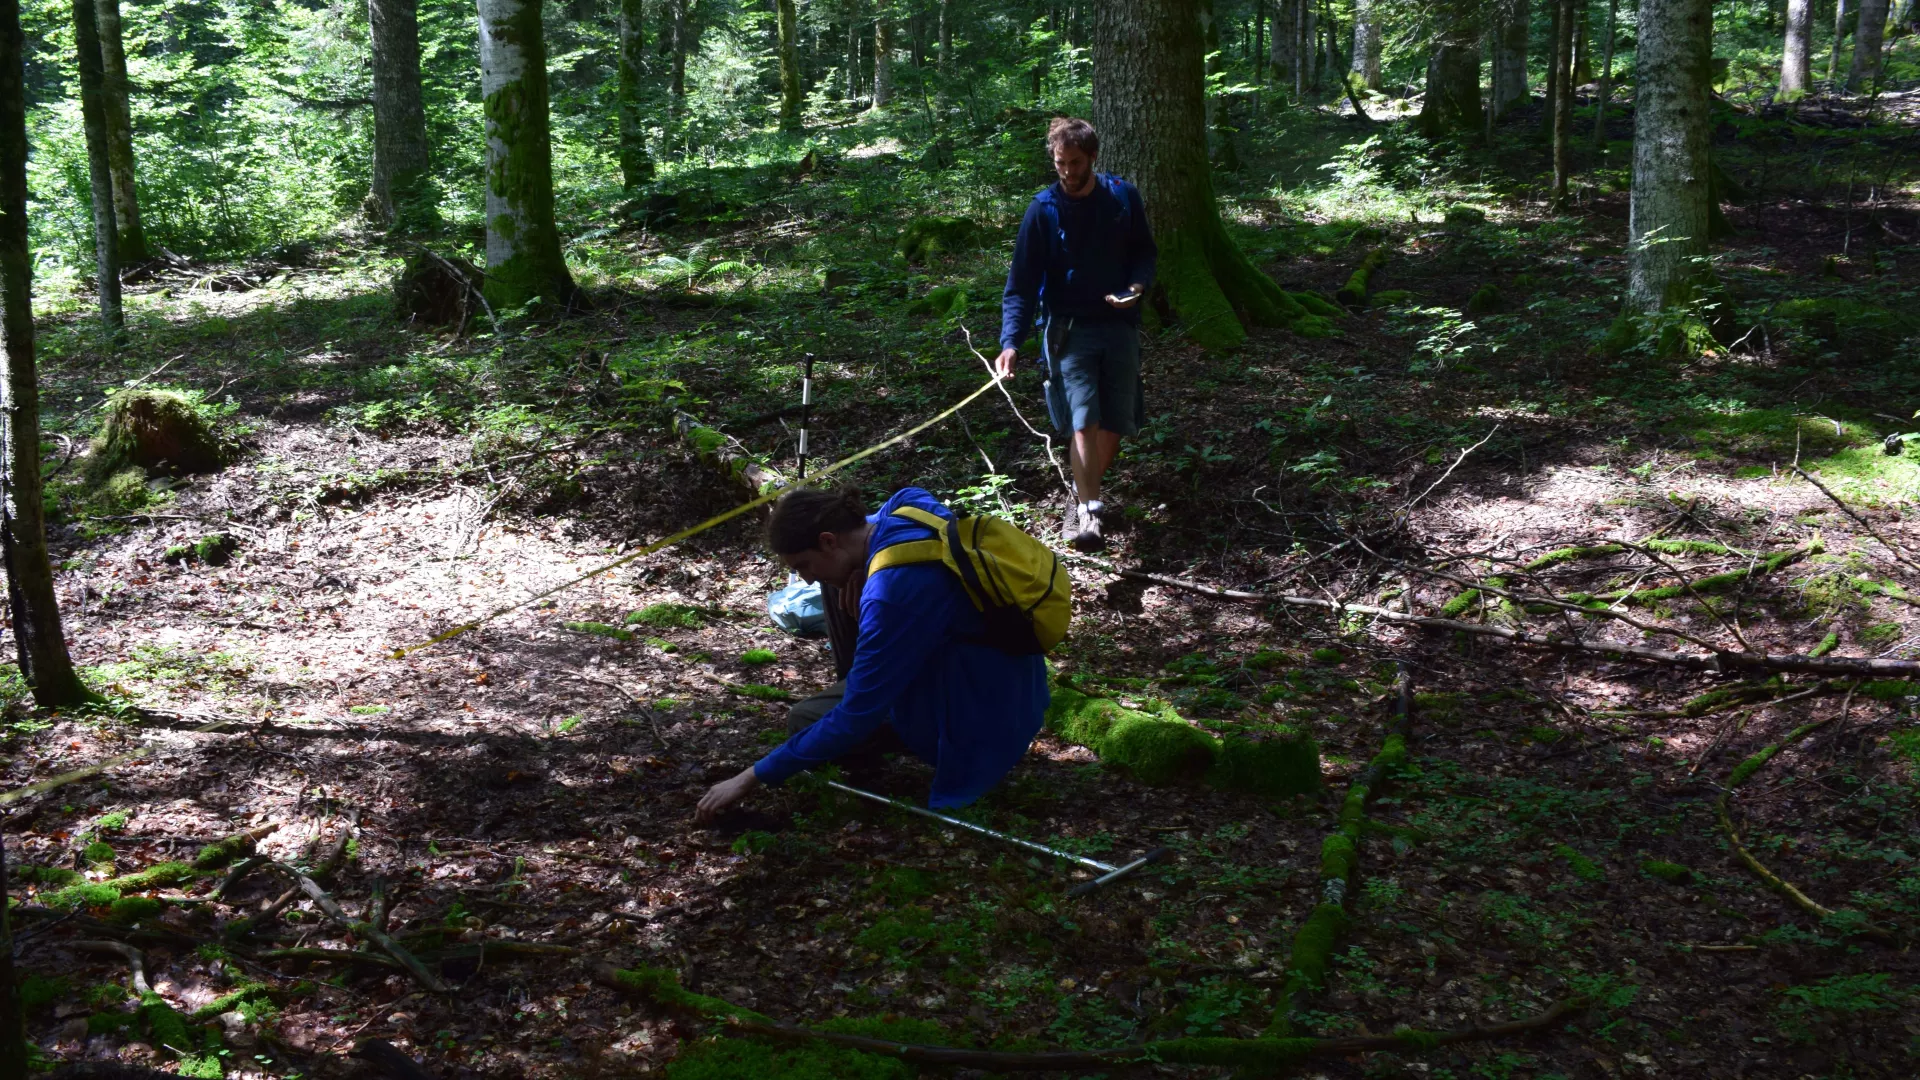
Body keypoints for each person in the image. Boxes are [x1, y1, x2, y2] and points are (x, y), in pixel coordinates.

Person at [694, 487, 1050, 822]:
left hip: (984, 721)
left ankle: (931, 762)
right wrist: (863, 568)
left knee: (807, 720)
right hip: (1010, 687)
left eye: (803, 564)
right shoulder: (905, 508)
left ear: (828, 541)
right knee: (836, 589)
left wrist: (750, 777)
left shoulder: (891, 596)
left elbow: (857, 714)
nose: (803, 579)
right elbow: (910, 498)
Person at [997, 117, 1158, 553]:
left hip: (1120, 324)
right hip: (1068, 328)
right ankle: (1089, 512)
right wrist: (1010, 342)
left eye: (1074, 163)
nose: (1067, 172)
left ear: (1092, 158)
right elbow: (1022, 283)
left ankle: (1084, 493)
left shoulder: (1122, 197)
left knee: (1116, 422)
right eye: (1059, 163)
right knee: (1082, 421)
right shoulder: (1042, 210)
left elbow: (1144, 251)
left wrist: (1137, 289)